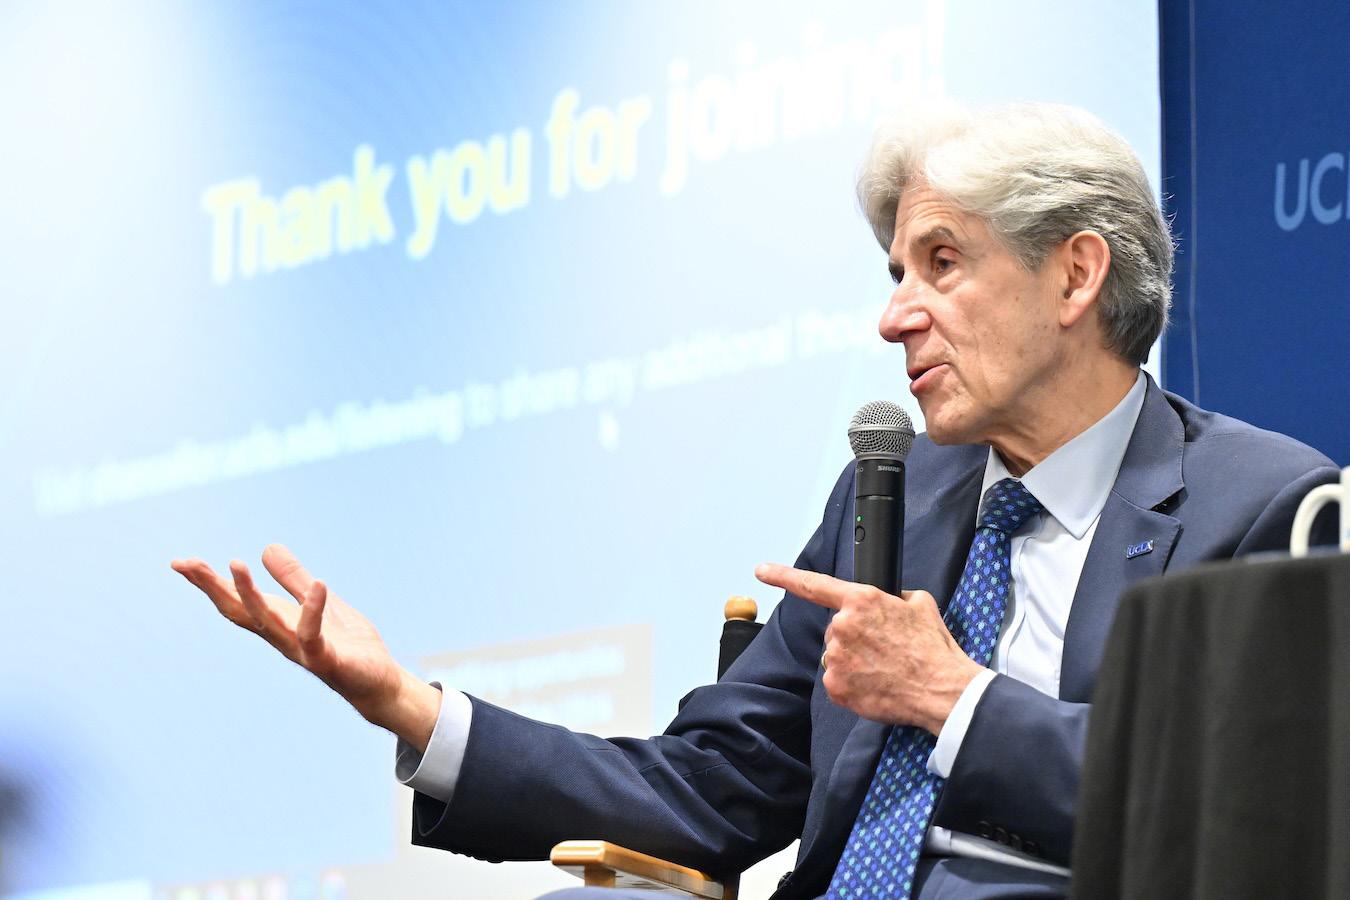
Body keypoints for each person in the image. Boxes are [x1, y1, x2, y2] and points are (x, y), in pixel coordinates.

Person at [173, 102, 1338, 899]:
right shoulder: (900, 500)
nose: (895, 316)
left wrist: (954, 699)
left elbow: (1239, 818)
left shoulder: (1262, 507)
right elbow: (709, 790)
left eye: (941, 263)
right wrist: (410, 708)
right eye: (895, 273)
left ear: (1075, 274)